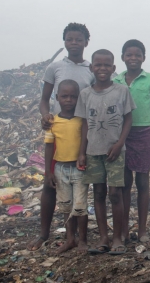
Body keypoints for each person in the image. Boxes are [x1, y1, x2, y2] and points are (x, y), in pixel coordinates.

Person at [28, 22, 94, 251]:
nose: (74, 43)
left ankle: (78, 237)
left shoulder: (91, 69)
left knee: (79, 186)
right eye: (69, 39)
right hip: (58, 133)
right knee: (51, 183)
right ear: (64, 42)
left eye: (78, 39)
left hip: (82, 133)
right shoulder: (54, 68)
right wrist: (46, 115)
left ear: (87, 42)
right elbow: (45, 99)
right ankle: (44, 234)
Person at [76, 49, 135, 255]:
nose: (102, 69)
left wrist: (120, 143)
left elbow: (128, 119)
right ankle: (103, 238)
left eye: (106, 65)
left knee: (115, 194)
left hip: (115, 151)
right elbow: (84, 124)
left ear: (113, 68)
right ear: (91, 68)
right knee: (98, 193)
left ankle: (118, 238)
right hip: (93, 151)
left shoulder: (121, 91)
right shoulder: (85, 94)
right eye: (98, 65)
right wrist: (82, 152)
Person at [114, 39, 150, 246]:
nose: (133, 58)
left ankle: (142, 229)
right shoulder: (115, 81)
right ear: (123, 57)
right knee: (124, 183)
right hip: (121, 134)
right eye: (129, 55)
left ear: (144, 57)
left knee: (142, 182)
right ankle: (124, 230)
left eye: (137, 55)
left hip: (143, 132)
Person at [44, 80, 88, 254]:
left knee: (80, 206)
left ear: (79, 98)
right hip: (60, 169)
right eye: (64, 96)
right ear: (57, 98)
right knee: (65, 206)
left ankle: (83, 240)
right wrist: (48, 172)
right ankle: (70, 239)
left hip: (79, 169)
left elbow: (86, 141)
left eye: (73, 96)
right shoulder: (52, 122)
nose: (69, 100)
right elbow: (48, 146)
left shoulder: (81, 121)